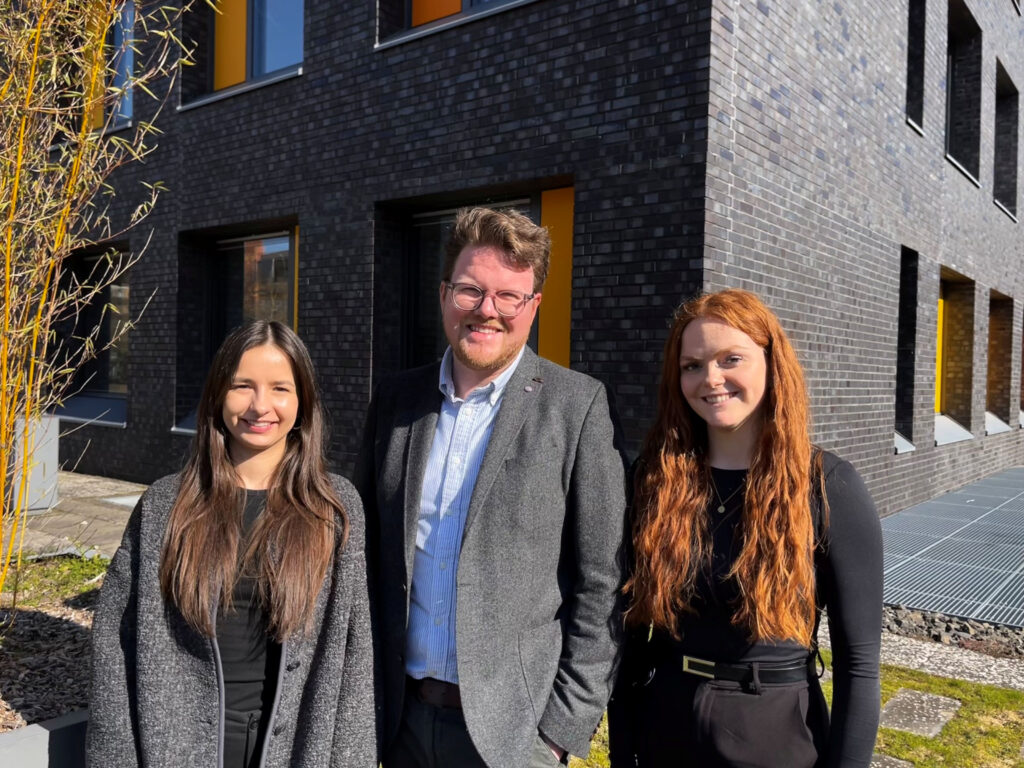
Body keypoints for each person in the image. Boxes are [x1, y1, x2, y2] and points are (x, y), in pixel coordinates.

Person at [355, 206, 627, 768]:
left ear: (534, 306)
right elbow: (365, 554)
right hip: (397, 721)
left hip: (511, 736)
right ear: (443, 293)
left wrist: (558, 732)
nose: (487, 310)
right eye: (471, 290)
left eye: (509, 296)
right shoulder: (396, 401)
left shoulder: (575, 407)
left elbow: (603, 583)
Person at [608, 289, 883, 768]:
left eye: (730, 358)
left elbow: (859, 667)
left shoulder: (827, 486)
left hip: (775, 734)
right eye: (692, 365)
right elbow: (631, 634)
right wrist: (622, 745)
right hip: (665, 725)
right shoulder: (656, 478)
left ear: (771, 363)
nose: (710, 378)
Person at [87, 321, 376, 768]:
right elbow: (114, 647)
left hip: (297, 748)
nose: (261, 406)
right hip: (178, 749)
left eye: (280, 388)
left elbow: (355, 661)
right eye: (243, 385)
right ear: (219, 395)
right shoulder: (166, 506)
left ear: (303, 403)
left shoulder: (333, 510)